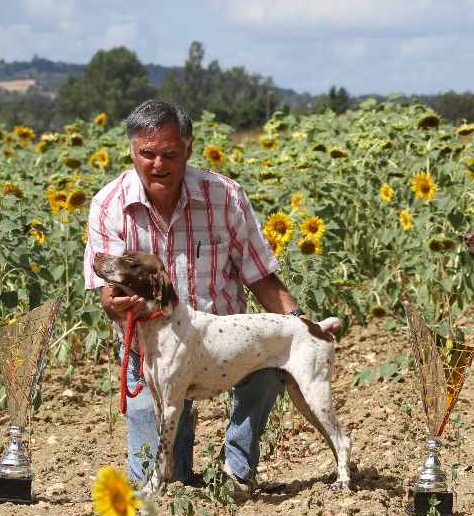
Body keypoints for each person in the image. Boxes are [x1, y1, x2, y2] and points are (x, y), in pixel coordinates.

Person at [82, 99, 334, 491]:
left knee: (270, 357)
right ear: (131, 151)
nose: (158, 164)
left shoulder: (226, 197)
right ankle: (180, 453)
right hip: (150, 351)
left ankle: (235, 470)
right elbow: (107, 293)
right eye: (146, 154)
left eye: (169, 153)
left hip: (223, 346)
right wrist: (113, 305)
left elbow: (261, 277)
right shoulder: (109, 205)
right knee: (160, 480)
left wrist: (300, 322)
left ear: (189, 149)